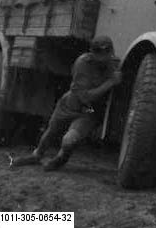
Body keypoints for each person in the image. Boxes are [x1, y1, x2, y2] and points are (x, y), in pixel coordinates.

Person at [11, 36, 122, 171]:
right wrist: (110, 83)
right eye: (100, 54)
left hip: (88, 111)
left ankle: (60, 159)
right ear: (92, 54)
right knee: (51, 132)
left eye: (107, 53)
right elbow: (84, 96)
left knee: (69, 140)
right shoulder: (82, 63)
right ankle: (37, 155)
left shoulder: (114, 65)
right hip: (69, 104)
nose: (104, 58)